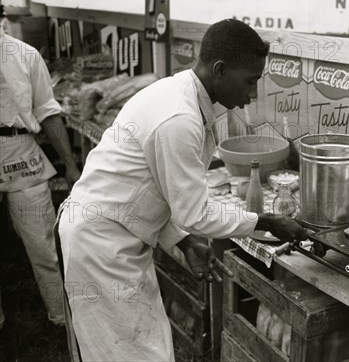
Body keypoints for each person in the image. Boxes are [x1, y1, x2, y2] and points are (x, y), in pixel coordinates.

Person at [56, 19, 309, 361]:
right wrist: (267, 222)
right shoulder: (179, 116)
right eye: (250, 81)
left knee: (141, 346)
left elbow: (157, 188)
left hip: (116, 234)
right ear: (219, 69)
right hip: (101, 244)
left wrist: (185, 241)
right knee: (132, 353)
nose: (252, 94)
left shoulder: (181, 97)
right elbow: (195, 212)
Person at [0, 3, 81, 330]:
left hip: (21, 152)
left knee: (43, 244)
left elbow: (48, 111)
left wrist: (71, 165)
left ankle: (62, 317)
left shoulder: (24, 54)